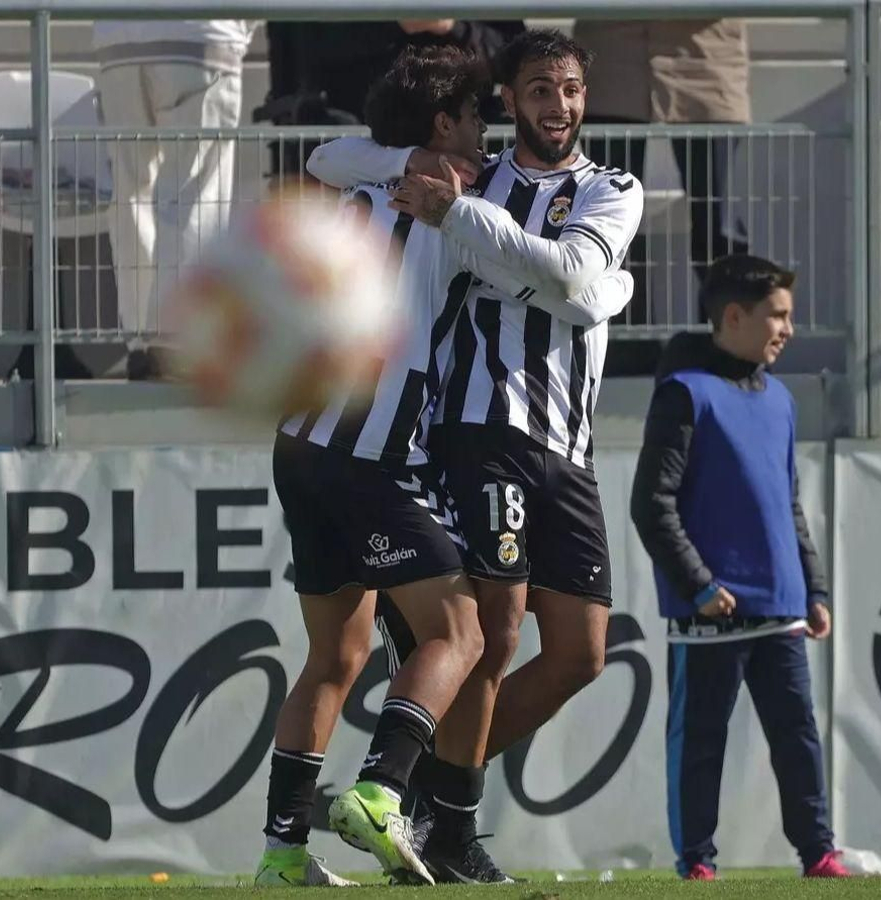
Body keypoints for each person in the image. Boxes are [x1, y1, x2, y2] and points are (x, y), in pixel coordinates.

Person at [260, 44, 634, 888]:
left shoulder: (367, 193)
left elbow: (327, 156)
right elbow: (572, 283)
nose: (491, 128)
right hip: (390, 446)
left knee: (338, 654)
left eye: (571, 88)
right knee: (466, 631)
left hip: (302, 439)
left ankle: (283, 851)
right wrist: (615, 292)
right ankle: (393, 798)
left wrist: (415, 166)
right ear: (454, 121)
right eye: (486, 112)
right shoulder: (453, 206)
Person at [628, 254, 848, 880]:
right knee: (699, 746)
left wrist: (813, 587)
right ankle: (697, 863)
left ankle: (819, 854)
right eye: (777, 315)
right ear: (733, 316)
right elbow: (652, 503)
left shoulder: (778, 399)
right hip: (710, 614)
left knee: (798, 740)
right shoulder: (685, 396)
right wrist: (698, 585)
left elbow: (788, 503)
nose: (788, 328)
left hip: (781, 610)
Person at [575, 19, 753, 375]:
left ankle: (728, 348)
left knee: (717, 222)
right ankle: (621, 348)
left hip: (705, 67)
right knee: (609, 224)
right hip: (612, 63)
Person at [91, 18, 257, 380]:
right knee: (195, 192)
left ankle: (140, 339)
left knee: (130, 192)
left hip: (117, 35)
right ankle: (177, 340)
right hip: (202, 33)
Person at [256, 19, 522, 185]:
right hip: (366, 135)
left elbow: (512, 56)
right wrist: (395, 21)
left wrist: (451, 26)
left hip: (459, 136)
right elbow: (310, 49)